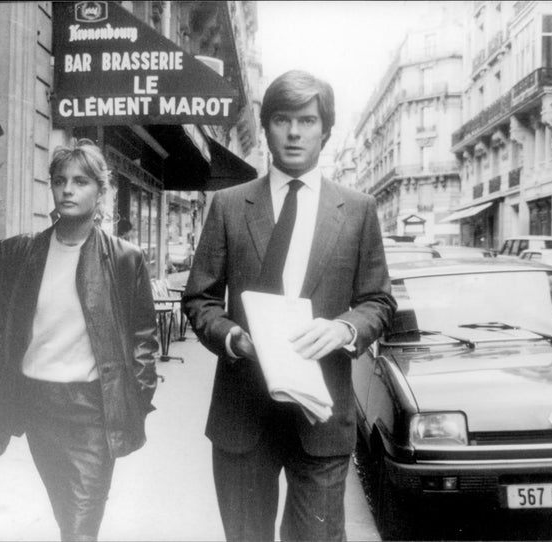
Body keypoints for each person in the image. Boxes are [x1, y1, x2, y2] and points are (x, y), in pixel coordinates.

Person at [182, 70, 396, 541]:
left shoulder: (357, 210)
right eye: (282, 120)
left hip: (320, 416)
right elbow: (199, 299)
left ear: (326, 130)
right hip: (242, 414)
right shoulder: (229, 205)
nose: (295, 132)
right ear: (265, 127)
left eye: (307, 120)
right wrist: (233, 338)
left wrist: (344, 329)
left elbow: (378, 301)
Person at [0, 140, 159, 541]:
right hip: (39, 406)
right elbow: (0, 335)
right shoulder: (18, 253)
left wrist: (137, 397)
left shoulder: (124, 258)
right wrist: (0, 394)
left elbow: (143, 338)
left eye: (81, 181)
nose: (68, 189)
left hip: (93, 411)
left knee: (81, 526)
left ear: (101, 191)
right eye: (60, 180)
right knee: (67, 515)